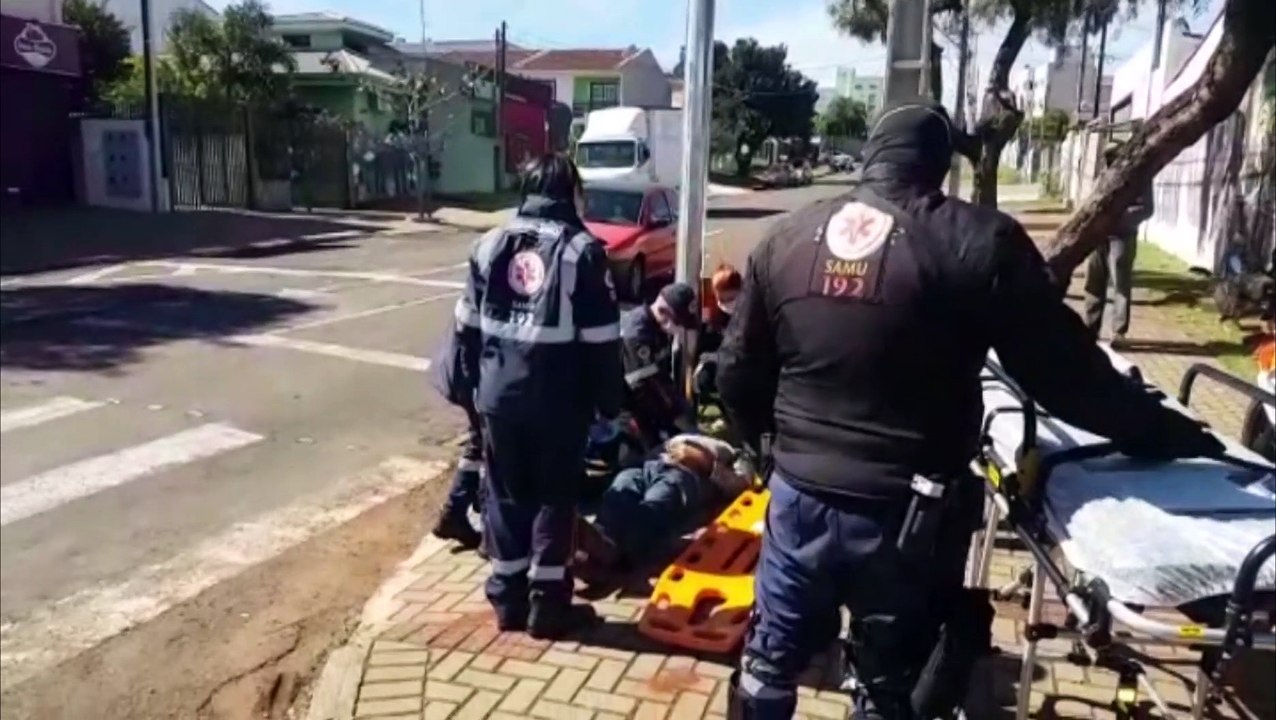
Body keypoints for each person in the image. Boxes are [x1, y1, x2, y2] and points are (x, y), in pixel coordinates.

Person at [716, 97, 1225, 720]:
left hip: (801, 498)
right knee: (888, 682)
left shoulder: (787, 239)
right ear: (936, 163)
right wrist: (1164, 431)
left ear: (872, 155)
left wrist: (768, 449)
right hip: (910, 513)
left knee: (769, 663)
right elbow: (1066, 377)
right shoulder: (978, 241)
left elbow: (736, 372)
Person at [453, 153, 624, 639]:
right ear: (570, 191)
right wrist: (610, 403)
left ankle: (506, 600)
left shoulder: (488, 245)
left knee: (505, 495)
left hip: (498, 400)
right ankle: (546, 607)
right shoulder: (581, 251)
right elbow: (601, 341)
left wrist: (473, 397)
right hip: (557, 402)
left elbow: (465, 330)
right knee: (554, 498)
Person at [574, 433, 751, 580]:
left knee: (659, 500)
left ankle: (615, 551)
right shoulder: (680, 430)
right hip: (646, 466)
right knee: (621, 488)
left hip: (684, 473)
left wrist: (705, 462)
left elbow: (741, 485)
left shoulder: (731, 452)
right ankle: (601, 538)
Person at [1083, 141, 1155, 347]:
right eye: (1108, 156)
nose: (1110, 160)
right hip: (1098, 236)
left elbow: (1146, 209)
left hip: (1122, 237)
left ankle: (1119, 332)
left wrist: (1118, 217)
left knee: (1120, 285)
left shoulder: (1139, 177)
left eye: (1114, 156)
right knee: (1093, 283)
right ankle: (1090, 327)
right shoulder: (1103, 175)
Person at [620, 281, 699, 445]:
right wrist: (673, 416)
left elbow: (661, 376)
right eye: (678, 322)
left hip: (647, 401)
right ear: (663, 312)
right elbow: (642, 389)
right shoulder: (637, 335)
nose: (680, 328)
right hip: (625, 406)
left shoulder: (657, 327)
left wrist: (680, 407)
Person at [428, 324, 484, 550]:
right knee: (489, 442)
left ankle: (456, 511)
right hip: (476, 376)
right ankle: (458, 511)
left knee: (480, 442)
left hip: (472, 374)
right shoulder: (495, 290)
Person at [695, 264, 744, 403]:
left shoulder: (752, 316)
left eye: (731, 299)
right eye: (722, 300)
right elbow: (704, 349)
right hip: (720, 367)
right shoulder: (713, 319)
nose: (726, 305)